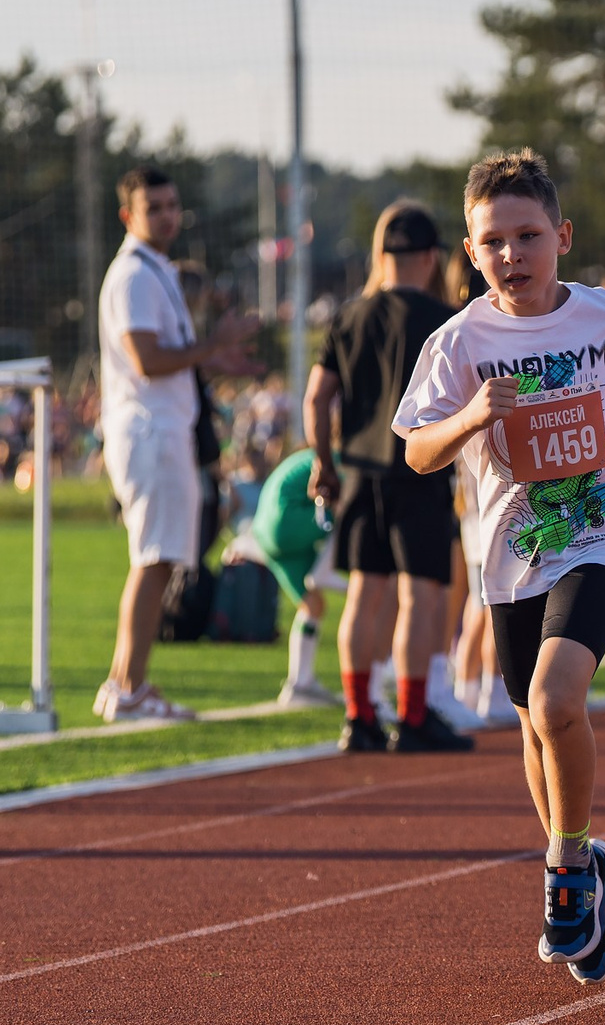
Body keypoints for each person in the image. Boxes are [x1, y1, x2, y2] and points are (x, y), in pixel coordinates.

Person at [398, 150, 605, 983]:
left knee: (558, 698)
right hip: (514, 552)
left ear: (562, 235)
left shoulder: (604, 313)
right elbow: (415, 450)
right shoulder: (459, 342)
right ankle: (580, 867)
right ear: (472, 253)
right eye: (494, 241)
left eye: (528, 236)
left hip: (604, 534)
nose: (513, 254)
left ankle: (566, 863)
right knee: (530, 720)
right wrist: (471, 415)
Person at [309, 201, 473, 755]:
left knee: (363, 594)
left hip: (358, 472)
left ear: (383, 255)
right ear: (430, 258)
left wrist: (323, 462)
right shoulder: (442, 320)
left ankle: (358, 716)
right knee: (420, 597)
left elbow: (317, 396)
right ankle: (413, 713)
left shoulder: (348, 316)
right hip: (417, 471)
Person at [94, 167, 257, 724]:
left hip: (162, 428)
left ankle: (123, 683)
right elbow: (146, 360)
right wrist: (211, 345)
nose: (167, 216)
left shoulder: (152, 270)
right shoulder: (134, 275)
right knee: (154, 561)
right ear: (129, 215)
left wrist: (216, 358)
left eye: (171, 205)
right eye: (154, 207)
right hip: (150, 431)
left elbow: (168, 360)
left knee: (157, 562)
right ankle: (129, 687)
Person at [229, 447, 338, 708]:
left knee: (312, 605)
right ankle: (328, 575)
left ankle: (300, 683)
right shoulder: (336, 460)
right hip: (286, 523)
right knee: (352, 511)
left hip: (266, 532)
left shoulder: (307, 457)